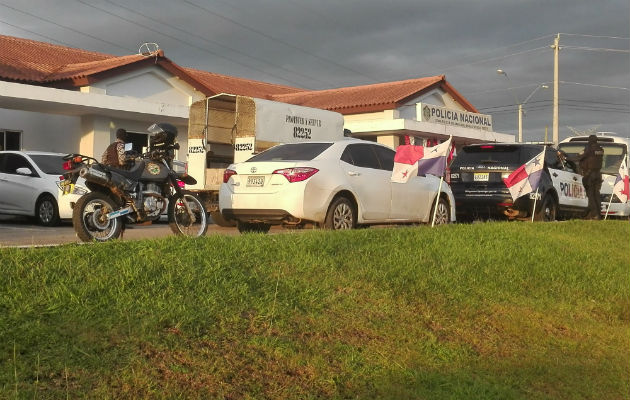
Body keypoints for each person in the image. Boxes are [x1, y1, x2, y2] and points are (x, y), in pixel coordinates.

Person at [578, 134, 604, 220]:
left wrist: (566, 157)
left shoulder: (589, 149)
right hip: (598, 174)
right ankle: (599, 214)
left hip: (590, 175)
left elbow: (579, 157)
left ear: (589, 141)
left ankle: (595, 214)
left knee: (591, 195)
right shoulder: (600, 149)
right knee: (597, 194)